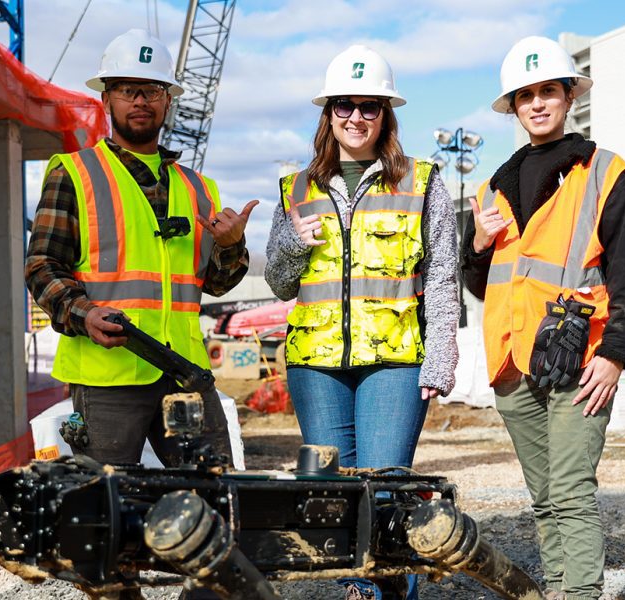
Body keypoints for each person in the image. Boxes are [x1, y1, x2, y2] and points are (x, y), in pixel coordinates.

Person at [265, 44, 458, 600]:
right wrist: (291, 248)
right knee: (336, 497)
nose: (355, 117)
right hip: (315, 367)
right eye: (343, 105)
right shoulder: (295, 188)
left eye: (369, 106)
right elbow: (280, 283)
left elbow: (443, 278)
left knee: (385, 493)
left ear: (386, 115)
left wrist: (440, 356)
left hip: (394, 362)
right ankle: (359, 592)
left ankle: (394, 591)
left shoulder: (423, 182)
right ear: (327, 114)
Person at [461, 36, 625, 600]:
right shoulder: (495, 184)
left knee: (570, 491)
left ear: (569, 96)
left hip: (578, 360)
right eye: (526, 95)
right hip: (513, 363)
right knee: (543, 497)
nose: (538, 103)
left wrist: (616, 354)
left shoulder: (604, 173)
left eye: (549, 91)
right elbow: (483, 284)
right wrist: (477, 242)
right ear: (513, 106)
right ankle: (560, 590)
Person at [25, 29, 255, 470]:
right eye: (128, 90)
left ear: (168, 99)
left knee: (218, 494)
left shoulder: (198, 187)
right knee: (105, 506)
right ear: (107, 99)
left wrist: (230, 245)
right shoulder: (75, 173)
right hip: (108, 373)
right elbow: (42, 265)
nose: (141, 100)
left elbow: (218, 284)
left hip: (185, 371)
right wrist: (82, 314)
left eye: (151, 90)